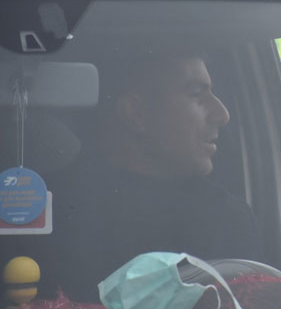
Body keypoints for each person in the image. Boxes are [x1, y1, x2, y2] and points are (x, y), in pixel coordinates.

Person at [3, 51, 263, 303]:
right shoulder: (36, 218)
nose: (222, 114)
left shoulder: (228, 218)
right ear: (135, 113)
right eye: (196, 94)